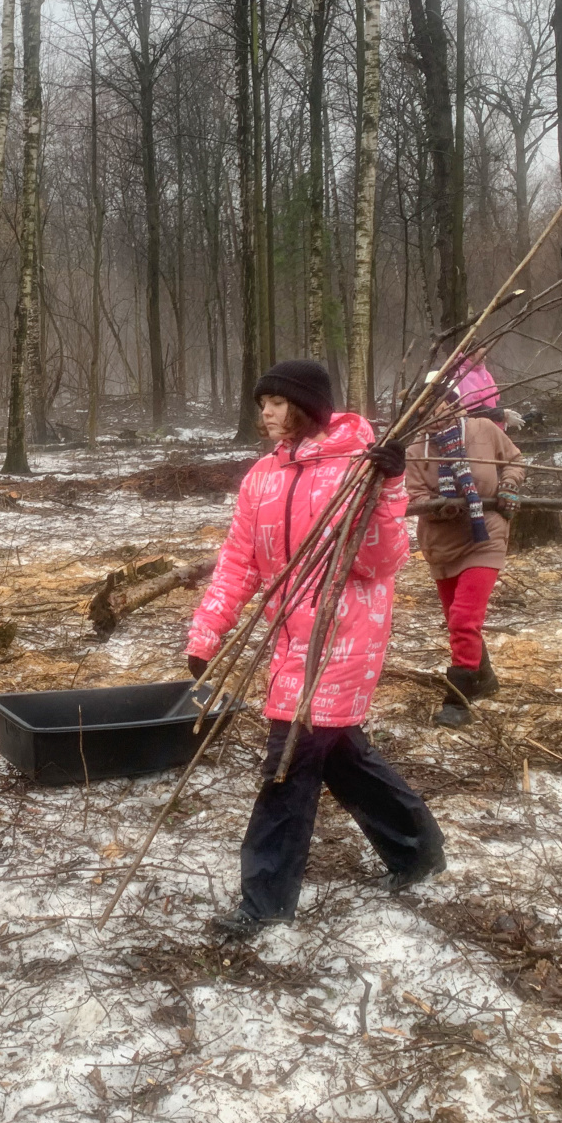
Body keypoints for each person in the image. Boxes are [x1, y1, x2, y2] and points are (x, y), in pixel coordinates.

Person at [187, 359, 445, 940]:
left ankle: (265, 900)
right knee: (341, 754)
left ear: (307, 406)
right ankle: (417, 850)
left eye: (277, 402)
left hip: (342, 635)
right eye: (262, 404)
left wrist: (391, 488)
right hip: (287, 640)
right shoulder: (262, 477)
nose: (266, 413)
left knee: (291, 761)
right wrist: (208, 628)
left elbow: (380, 562)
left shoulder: (359, 469)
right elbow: (238, 561)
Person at [408, 382, 525, 726]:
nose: (428, 415)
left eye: (435, 406)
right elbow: (415, 496)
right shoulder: (417, 449)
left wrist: (509, 485)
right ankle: (484, 678)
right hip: (442, 544)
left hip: (485, 534)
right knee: (458, 622)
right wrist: (438, 508)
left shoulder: (483, 430)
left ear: (453, 405)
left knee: (463, 618)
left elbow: (515, 461)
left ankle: (458, 699)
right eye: (421, 410)